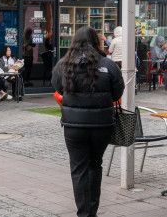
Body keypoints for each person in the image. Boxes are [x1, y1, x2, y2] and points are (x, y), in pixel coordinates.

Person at [51, 27, 124, 217]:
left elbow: (57, 86)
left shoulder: (64, 64)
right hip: (102, 126)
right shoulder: (108, 65)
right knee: (95, 165)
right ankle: (92, 212)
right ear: (96, 41)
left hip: (74, 127)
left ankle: (84, 213)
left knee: (78, 169)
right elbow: (117, 94)